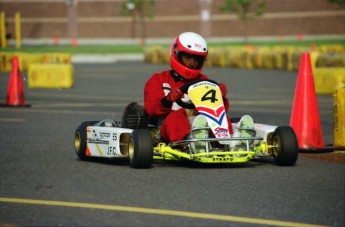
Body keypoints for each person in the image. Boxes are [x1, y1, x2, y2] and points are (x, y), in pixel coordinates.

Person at [144, 32, 233, 143]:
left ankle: (230, 141)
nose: (192, 63)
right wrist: (168, 100)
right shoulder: (158, 79)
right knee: (177, 116)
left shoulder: (203, 80)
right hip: (167, 128)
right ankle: (190, 142)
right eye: (187, 58)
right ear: (176, 54)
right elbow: (151, 109)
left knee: (219, 118)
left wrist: (220, 97)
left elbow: (215, 109)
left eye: (196, 60)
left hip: (197, 123)